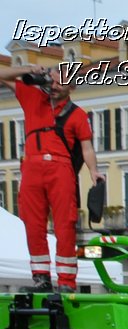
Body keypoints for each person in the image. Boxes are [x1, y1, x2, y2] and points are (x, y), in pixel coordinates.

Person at [1, 64, 100, 293]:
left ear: (72, 87)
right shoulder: (32, 97)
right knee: (33, 225)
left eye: (59, 83)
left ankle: (66, 281)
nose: (53, 86)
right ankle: (41, 277)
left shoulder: (77, 114)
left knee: (65, 224)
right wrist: (25, 69)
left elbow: (87, 148)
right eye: (51, 81)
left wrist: (94, 171)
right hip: (31, 167)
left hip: (60, 167)